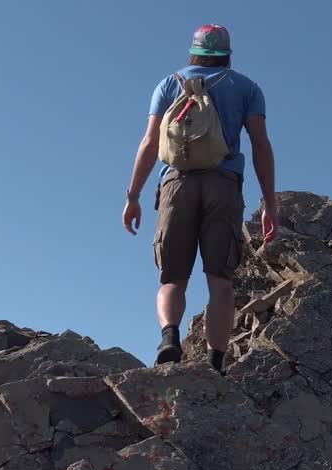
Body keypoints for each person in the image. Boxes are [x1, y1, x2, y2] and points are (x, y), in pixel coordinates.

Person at [122, 24, 277, 373]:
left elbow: (149, 143)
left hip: (177, 183)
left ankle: (169, 337)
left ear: (194, 51)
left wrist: (133, 196)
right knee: (220, 282)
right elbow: (260, 145)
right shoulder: (247, 88)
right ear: (227, 54)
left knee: (172, 279)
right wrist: (270, 202)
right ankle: (214, 363)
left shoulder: (168, 84)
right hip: (224, 184)